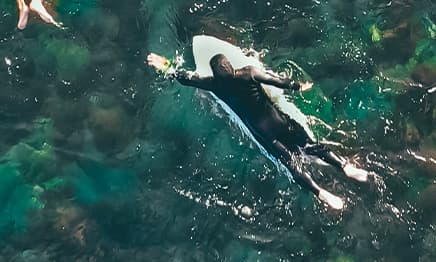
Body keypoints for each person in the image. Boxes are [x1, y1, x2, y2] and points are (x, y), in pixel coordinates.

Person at [146, 51, 369, 210]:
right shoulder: (248, 73)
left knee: (291, 162)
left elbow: (186, 79)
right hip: (279, 122)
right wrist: (297, 86)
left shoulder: (214, 84)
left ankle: (321, 193)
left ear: (216, 74)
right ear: (231, 67)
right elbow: (276, 81)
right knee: (310, 146)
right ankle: (345, 167)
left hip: (265, 135)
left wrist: (166, 65)